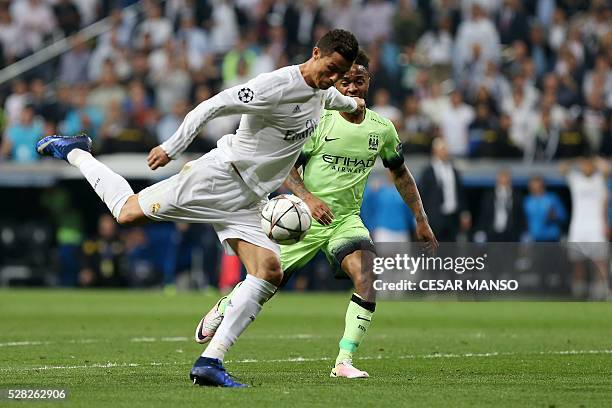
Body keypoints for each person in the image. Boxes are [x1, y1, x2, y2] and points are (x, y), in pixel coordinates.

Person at [36, 29, 364, 388]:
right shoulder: (275, 85)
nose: (333, 78)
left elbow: (338, 101)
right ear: (316, 53)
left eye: (341, 74)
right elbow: (212, 106)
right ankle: (75, 150)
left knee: (270, 271)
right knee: (126, 213)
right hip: (218, 178)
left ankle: (210, 362)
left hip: (250, 200)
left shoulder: (323, 92)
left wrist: (355, 106)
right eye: (330, 68)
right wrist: (172, 147)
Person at [194, 50, 438, 379]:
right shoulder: (319, 119)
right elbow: (286, 166)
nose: (351, 87)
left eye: (359, 80)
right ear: (336, 81)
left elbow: (400, 173)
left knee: (367, 277)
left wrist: (421, 220)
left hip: (345, 221)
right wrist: (308, 199)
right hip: (303, 221)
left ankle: (344, 361)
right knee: (265, 284)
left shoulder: (383, 129)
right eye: (346, 80)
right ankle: (224, 308)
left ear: (368, 83)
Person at [560, 157, 609, 300]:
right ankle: (579, 295)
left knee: (600, 262)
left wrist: (594, 160)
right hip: (578, 228)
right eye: (584, 165)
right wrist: (576, 159)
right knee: (578, 264)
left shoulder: (599, 179)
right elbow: (562, 168)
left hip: (596, 228)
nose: (586, 167)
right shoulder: (575, 179)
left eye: (589, 165)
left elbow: (607, 168)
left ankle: (599, 295)